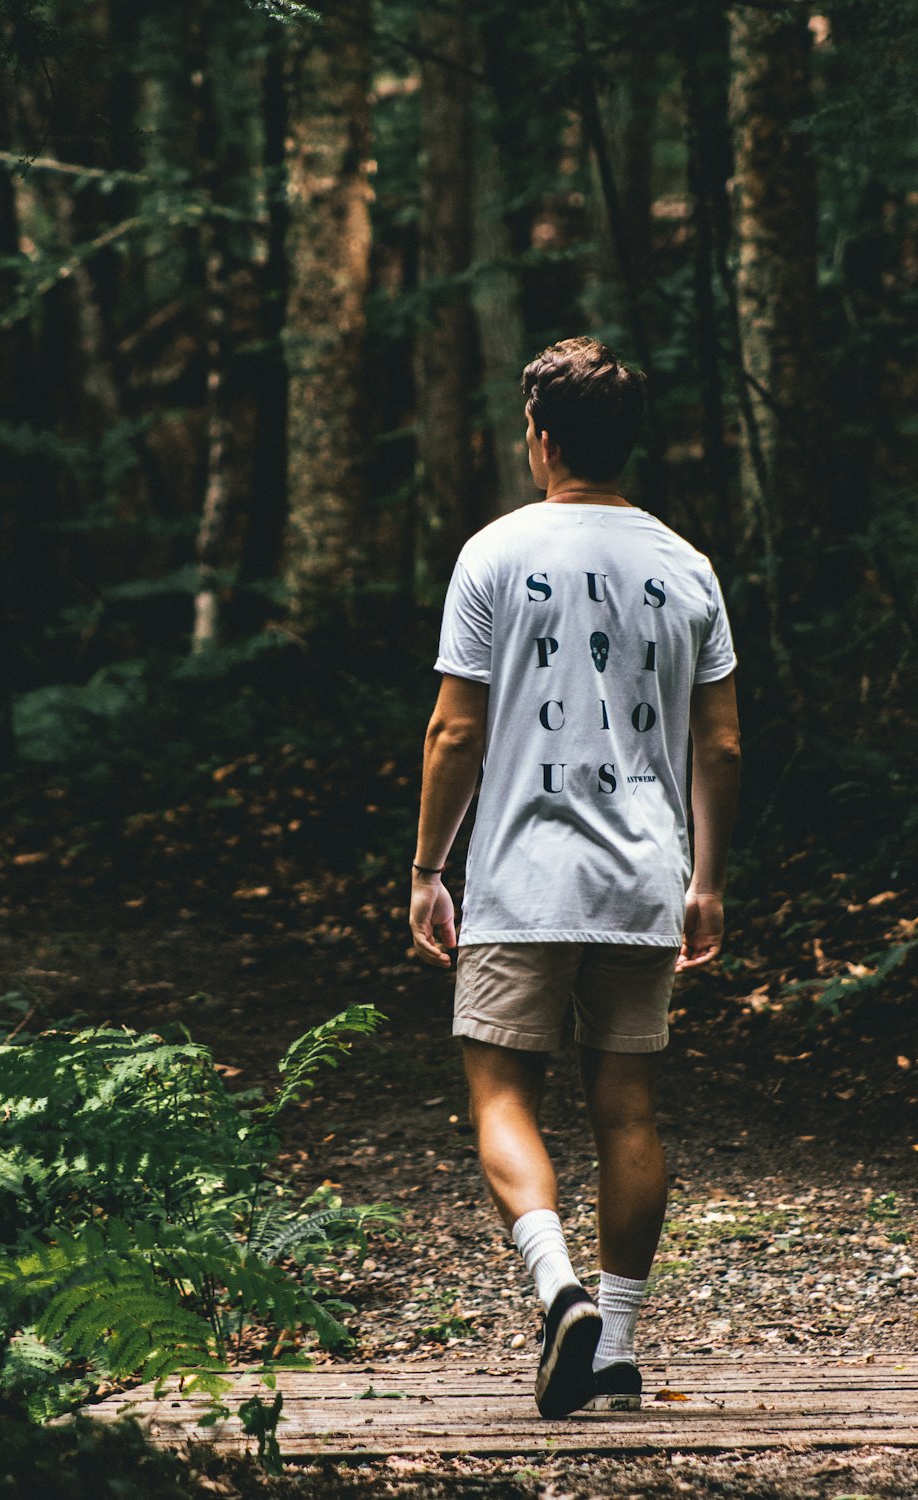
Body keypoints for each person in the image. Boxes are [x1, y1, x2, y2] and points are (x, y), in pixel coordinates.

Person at [409, 337, 740, 1419]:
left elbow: (454, 731)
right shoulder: (686, 566)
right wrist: (706, 880)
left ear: (539, 436)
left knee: (501, 1090)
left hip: (519, 873)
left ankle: (558, 1296)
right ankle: (619, 1343)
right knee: (627, 1107)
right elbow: (721, 744)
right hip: (644, 876)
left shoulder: (494, 554)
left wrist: (427, 866)